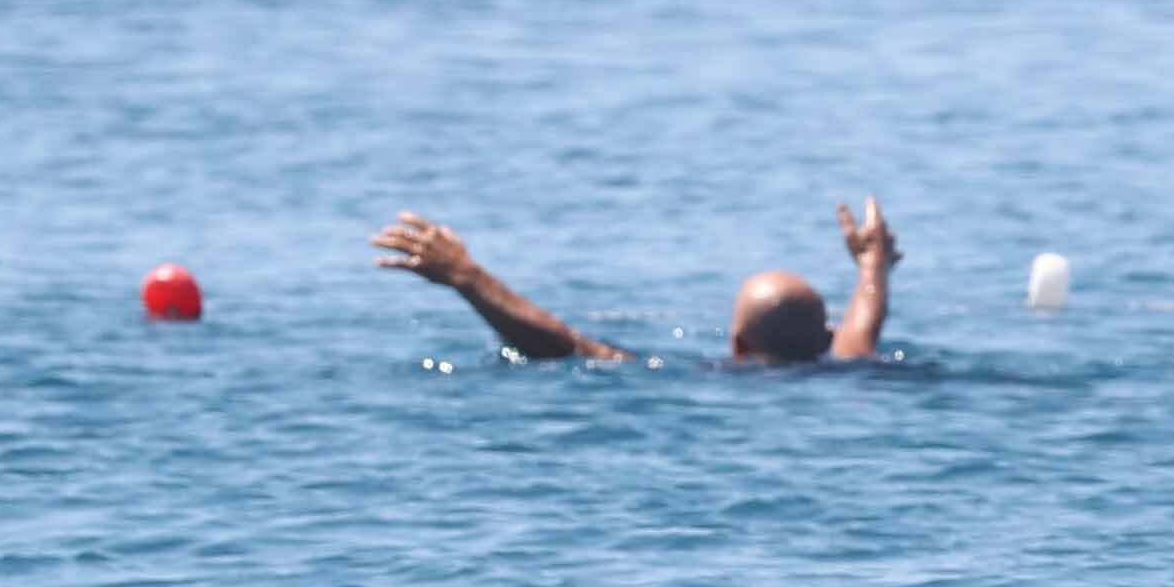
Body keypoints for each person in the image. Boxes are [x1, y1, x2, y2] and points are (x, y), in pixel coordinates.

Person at [373, 203, 898, 365]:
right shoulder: (849, 362)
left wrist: (467, 277)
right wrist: (872, 263)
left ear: (738, 345)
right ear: (826, 337)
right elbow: (863, 324)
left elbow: (569, 347)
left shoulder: (717, 380)